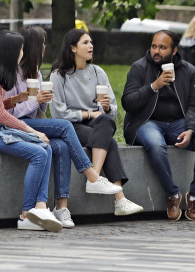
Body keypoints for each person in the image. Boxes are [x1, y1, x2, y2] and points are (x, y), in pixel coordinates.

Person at [4, 27, 130, 229]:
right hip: (15, 126)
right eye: (42, 43)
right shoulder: (11, 74)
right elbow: (11, 115)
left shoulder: (36, 73)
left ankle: (60, 207)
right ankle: (92, 176)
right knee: (64, 127)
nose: (45, 47)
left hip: (35, 123)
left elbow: (39, 111)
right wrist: (36, 101)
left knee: (62, 146)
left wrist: (41, 102)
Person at [122, 30, 195, 221]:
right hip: (147, 122)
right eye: (154, 46)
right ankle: (173, 195)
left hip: (178, 124)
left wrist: (190, 129)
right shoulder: (139, 67)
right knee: (155, 143)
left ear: (174, 51)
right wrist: (153, 86)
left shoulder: (188, 70)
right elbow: (127, 102)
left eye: (162, 47)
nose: (156, 51)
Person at [49, 29, 144, 218]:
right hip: (71, 126)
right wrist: (87, 114)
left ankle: (95, 177)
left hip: (98, 124)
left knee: (105, 120)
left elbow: (112, 111)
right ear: (73, 48)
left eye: (91, 42)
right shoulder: (58, 75)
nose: (91, 46)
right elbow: (58, 113)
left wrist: (107, 108)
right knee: (110, 142)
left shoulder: (98, 72)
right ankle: (120, 200)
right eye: (85, 43)